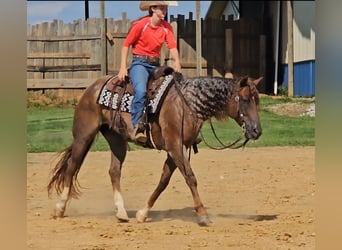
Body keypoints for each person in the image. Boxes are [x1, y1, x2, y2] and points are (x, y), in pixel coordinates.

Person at [118, 1, 181, 143]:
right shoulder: (141, 25)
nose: (164, 11)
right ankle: (136, 127)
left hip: (156, 65)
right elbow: (126, 44)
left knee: (175, 89)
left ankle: (177, 128)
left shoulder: (166, 27)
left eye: (165, 8)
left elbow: (172, 46)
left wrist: (177, 61)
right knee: (140, 91)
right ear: (153, 9)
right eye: (162, 8)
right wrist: (123, 66)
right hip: (140, 63)